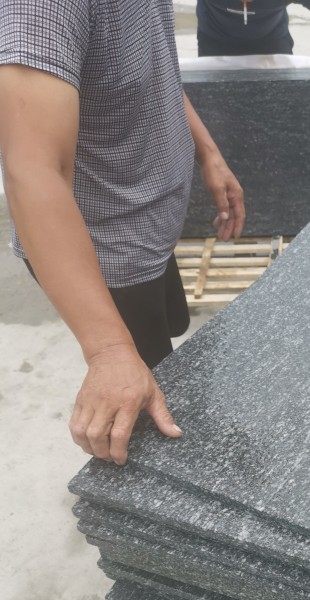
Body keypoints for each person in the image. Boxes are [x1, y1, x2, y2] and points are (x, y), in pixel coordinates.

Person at [0, 0, 245, 466]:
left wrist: (208, 153)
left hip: (151, 224)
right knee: (147, 414)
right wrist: (109, 351)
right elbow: (32, 171)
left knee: (169, 342)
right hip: (108, 250)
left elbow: (149, 68)